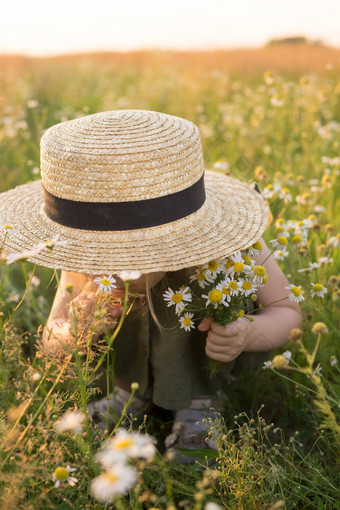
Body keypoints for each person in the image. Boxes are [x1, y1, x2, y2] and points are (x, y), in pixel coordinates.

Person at [0, 110, 302, 456]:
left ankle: (198, 405)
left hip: (201, 377)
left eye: (133, 254)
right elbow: (50, 338)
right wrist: (74, 331)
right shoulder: (80, 259)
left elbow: (288, 313)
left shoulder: (229, 245)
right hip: (124, 378)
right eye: (99, 255)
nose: (112, 271)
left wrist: (246, 332)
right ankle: (129, 396)